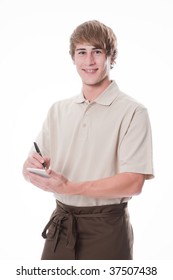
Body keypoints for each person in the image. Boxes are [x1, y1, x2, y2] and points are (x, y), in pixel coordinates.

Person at [22, 20, 154, 260]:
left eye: (97, 52)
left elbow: (134, 183)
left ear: (111, 58)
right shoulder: (58, 110)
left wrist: (69, 188)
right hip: (61, 227)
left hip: (107, 229)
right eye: (82, 52)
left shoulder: (133, 112)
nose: (89, 61)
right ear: (73, 58)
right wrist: (32, 168)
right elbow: (28, 166)